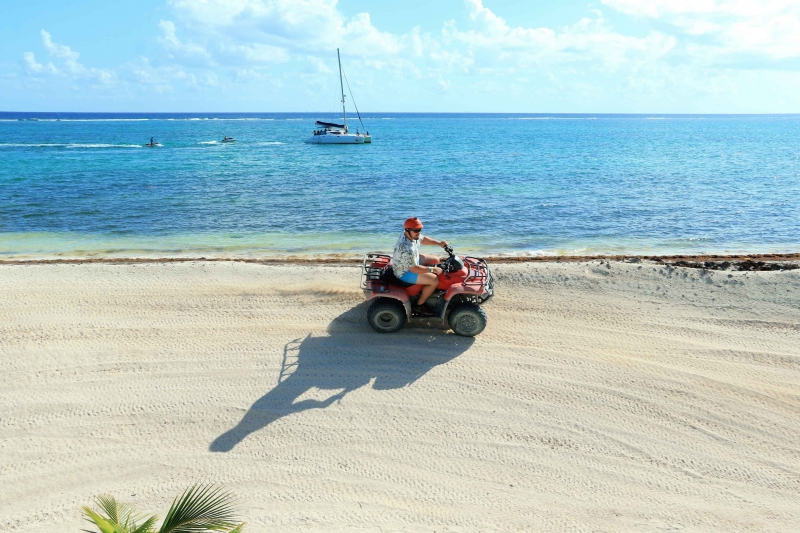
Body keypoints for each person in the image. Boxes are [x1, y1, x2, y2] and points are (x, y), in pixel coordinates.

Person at [392, 217, 448, 314]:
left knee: (436, 259)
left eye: (420, 229)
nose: (418, 232)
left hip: (410, 262)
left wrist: (439, 243)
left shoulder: (410, 234)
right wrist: (432, 269)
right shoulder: (407, 248)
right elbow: (414, 269)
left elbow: (423, 239)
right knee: (434, 280)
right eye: (416, 230)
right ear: (407, 230)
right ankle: (420, 305)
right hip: (404, 272)